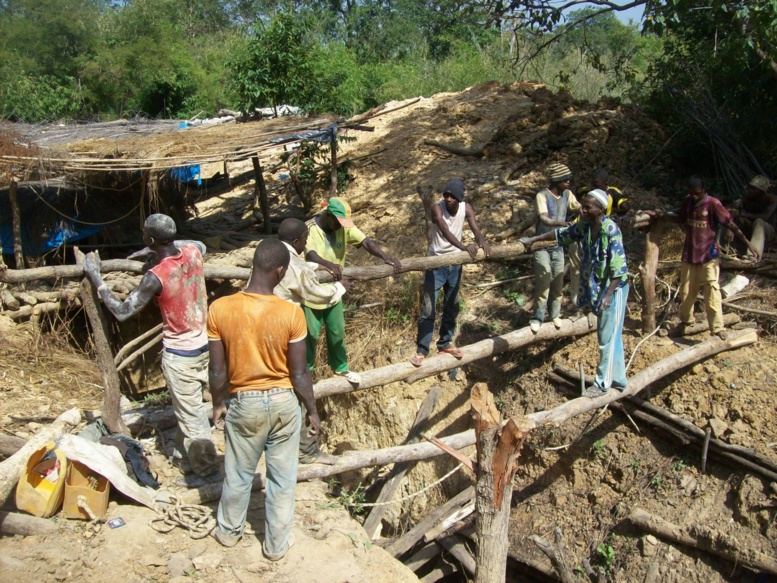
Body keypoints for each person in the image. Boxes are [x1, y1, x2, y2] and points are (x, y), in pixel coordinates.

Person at [83, 214, 220, 487]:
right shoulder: (194, 252)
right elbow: (194, 243)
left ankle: (208, 473)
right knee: (187, 407)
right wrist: (159, 246)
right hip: (204, 345)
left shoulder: (155, 277)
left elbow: (123, 311)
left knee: (193, 418)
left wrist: (97, 278)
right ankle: (185, 459)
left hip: (180, 354)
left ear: (150, 239)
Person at [207, 238, 320, 561]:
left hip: (245, 403)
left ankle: (229, 532)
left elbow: (217, 369)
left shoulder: (221, 308)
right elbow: (299, 374)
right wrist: (312, 410)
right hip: (284, 403)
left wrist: (218, 404)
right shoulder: (291, 313)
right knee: (282, 480)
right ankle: (275, 546)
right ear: (280, 271)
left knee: (239, 473)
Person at [521, 189, 629, 397]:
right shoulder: (586, 226)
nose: (584, 209)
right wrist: (534, 239)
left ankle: (601, 384)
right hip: (600, 288)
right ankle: (619, 380)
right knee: (611, 335)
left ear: (600, 209)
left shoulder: (610, 230)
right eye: (583, 205)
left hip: (613, 290)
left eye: (588, 207)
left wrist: (608, 295)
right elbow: (562, 234)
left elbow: (619, 269)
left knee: (607, 337)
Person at [304, 197, 401, 383]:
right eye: (338, 222)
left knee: (337, 331)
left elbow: (365, 241)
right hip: (313, 292)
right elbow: (310, 253)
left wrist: (385, 256)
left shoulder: (343, 227)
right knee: (311, 335)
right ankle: (306, 372)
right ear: (329, 215)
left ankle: (340, 368)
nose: (342, 227)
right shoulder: (310, 228)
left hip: (335, 290)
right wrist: (327, 264)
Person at [276, 217, 347, 464]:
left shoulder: (272, 253)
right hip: (285, 330)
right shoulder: (291, 264)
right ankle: (306, 451)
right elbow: (314, 291)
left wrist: (318, 267)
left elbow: (301, 266)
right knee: (300, 382)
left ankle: (278, 443)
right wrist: (340, 287)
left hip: (264, 329)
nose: (306, 245)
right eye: (304, 241)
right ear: (296, 240)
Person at [661, 176, 759, 340]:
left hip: (708, 255)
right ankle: (686, 322)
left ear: (703, 190)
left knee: (712, 291)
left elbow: (730, 223)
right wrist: (662, 216)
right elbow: (680, 218)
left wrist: (749, 244)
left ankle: (718, 328)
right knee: (686, 292)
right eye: (691, 193)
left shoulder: (713, 204)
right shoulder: (689, 203)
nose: (693, 196)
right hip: (690, 255)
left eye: (696, 193)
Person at [411, 178, 491, 367]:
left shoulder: (466, 208)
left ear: (459, 198)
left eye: (452, 196)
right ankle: (422, 350)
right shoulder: (436, 209)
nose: (447, 198)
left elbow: (476, 230)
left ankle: (445, 343)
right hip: (436, 263)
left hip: (455, 265)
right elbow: (445, 231)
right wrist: (464, 247)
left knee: (452, 304)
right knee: (428, 309)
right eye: (445, 195)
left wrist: (482, 242)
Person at [529, 163, 581, 332]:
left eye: (568, 179)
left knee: (558, 281)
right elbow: (544, 218)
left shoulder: (567, 194)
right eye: (564, 179)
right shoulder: (542, 196)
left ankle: (554, 314)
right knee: (544, 280)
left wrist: (587, 211)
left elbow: (579, 207)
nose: (568, 182)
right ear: (556, 180)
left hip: (558, 245)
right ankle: (537, 317)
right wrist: (562, 224)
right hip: (542, 245)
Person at [570, 169, 629, 316]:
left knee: (598, 272)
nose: (594, 186)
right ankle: (580, 305)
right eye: (593, 183)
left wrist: (618, 214)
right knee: (578, 271)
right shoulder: (587, 194)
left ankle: (593, 306)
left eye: (597, 184)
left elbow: (625, 205)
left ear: (606, 183)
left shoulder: (612, 195)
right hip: (581, 236)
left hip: (598, 239)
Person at [724, 175, 776, 259]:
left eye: (755, 189)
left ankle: (752, 256)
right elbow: (729, 209)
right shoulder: (748, 197)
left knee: (759, 221)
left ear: (762, 191)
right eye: (751, 188)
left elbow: (765, 217)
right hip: (751, 228)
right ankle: (723, 248)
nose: (751, 191)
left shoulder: (772, 200)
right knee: (730, 218)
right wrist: (731, 223)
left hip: (768, 231)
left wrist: (741, 214)